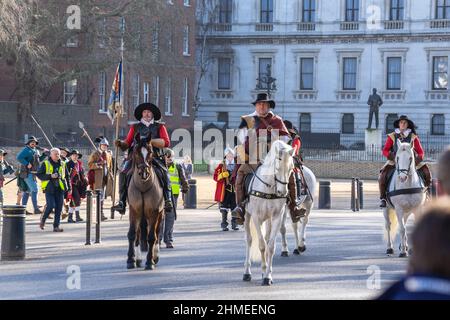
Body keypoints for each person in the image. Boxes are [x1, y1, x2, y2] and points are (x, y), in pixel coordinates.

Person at [231, 93, 301, 225]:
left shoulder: (277, 120)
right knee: (240, 175)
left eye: (264, 104)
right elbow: (239, 141)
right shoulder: (248, 120)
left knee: (289, 175)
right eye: (259, 104)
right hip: (252, 158)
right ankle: (240, 207)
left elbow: (286, 140)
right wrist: (241, 157)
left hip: (273, 158)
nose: (262, 106)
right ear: (256, 106)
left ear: (269, 106)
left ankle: (294, 207)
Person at [378, 199, 450, 300]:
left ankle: (426, 194)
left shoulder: (397, 290)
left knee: (427, 182)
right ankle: (383, 198)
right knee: (382, 181)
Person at [113, 102, 172, 214]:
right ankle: (122, 201)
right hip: (137, 158)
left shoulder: (160, 126)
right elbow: (127, 143)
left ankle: (167, 198)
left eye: (149, 112)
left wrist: (150, 142)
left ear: (153, 114)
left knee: (164, 172)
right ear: (141, 114)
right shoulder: (135, 127)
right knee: (123, 172)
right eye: (144, 112)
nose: (146, 114)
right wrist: (120, 143)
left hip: (154, 156)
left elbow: (166, 142)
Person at [378, 115, 432, 208]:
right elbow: (385, 150)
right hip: (395, 161)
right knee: (382, 175)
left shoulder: (413, 137)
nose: (403, 124)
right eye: (401, 122)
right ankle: (383, 198)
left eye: (405, 123)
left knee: (427, 172)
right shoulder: (392, 136)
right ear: (399, 124)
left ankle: (427, 194)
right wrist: (392, 157)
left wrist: (415, 161)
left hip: (411, 162)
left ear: (407, 125)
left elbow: (421, 152)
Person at [159, 148, 189, 248]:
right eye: (167, 157)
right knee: (160, 218)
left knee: (170, 217)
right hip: (161, 195)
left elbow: (183, 178)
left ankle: (168, 239)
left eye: (171, 157)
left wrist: (185, 187)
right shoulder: (159, 166)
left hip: (173, 195)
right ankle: (157, 240)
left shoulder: (178, 166)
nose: (169, 159)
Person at [37, 148, 71, 232]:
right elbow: (39, 175)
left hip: (60, 188)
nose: (57, 155)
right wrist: (50, 176)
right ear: (51, 155)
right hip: (49, 188)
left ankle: (56, 226)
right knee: (51, 205)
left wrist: (69, 188)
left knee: (59, 207)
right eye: (55, 154)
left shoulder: (63, 164)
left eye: (58, 154)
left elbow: (67, 177)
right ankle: (43, 220)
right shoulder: (46, 163)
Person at [16, 136, 48, 215]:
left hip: (33, 173)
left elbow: (39, 160)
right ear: (29, 143)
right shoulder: (26, 150)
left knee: (27, 191)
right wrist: (27, 164)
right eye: (32, 142)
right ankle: (36, 209)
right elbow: (19, 157)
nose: (33, 143)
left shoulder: (35, 150)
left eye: (34, 142)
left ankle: (23, 210)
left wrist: (44, 154)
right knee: (35, 189)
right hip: (27, 173)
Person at [284, 120, 307, 222]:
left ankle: (296, 199)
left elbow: (294, 151)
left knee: (295, 174)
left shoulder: (296, 139)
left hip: (292, 160)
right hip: (280, 161)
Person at [87, 136, 113, 221]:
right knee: (96, 196)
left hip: (106, 178)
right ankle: (96, 214)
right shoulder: (95, 154)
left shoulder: (108, 154)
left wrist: (111, 175)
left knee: (102, 197)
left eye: (106, 145)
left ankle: (101, 213)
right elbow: (90, 165)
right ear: (100, 145)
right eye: (103, 145)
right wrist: (99, 164)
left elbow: (110, 167)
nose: (104, 147)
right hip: (97, 179)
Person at [214, 147, 238, 231]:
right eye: (228, 155)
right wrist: (221, 175)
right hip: (225, 190)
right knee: (224, 208)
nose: (230, 157)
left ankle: (235, 224)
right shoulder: (221, 165)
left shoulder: (237, 165)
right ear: (225, 156)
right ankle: (224, 224)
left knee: (235, 207)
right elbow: (215, 177)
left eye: (231, 155)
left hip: (235, 190)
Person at [67, 150, 87, 223]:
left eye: (76, 155)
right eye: (73, 155)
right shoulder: (68, 164)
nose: (75, 156)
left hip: (79, 184)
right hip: (72, 184)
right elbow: (67, 176)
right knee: (76, 199)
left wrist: (84, 179)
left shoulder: (79, 164)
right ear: (71, 156)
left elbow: (82, 173)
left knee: (74, 201)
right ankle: (77, 216)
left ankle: (70, 217)